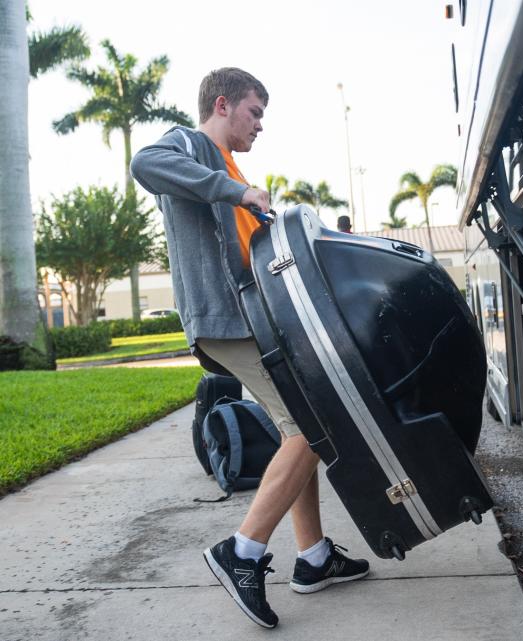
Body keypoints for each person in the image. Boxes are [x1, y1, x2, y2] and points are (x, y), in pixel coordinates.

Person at [130, 68, 368, 629]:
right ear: (222, 104)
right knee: (311, 426)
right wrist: (235, 191)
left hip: (253, 321)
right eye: (255, 112)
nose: (261, 125)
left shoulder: (230, 165)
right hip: (224, 322)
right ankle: (241, 552)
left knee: (300, 429)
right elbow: (145, 165)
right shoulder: (189, 144)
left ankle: (312, 558)